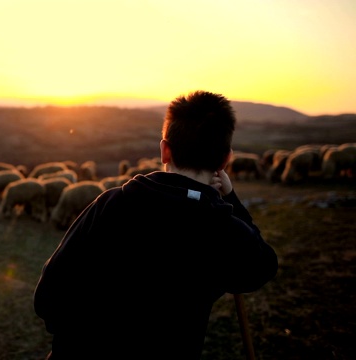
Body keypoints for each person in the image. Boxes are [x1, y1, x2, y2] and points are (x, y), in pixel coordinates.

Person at [33, 90, 279, 359]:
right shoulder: (223, 230)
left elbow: (48, 297)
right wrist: (230, 198)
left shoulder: (110, 204)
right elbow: (262, 266)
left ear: (164, 150)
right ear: (224, 160)